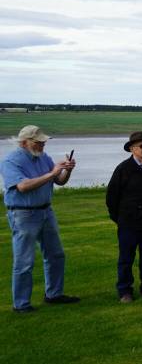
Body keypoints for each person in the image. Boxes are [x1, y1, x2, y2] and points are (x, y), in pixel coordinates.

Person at [3, 125, 78, 312]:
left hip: (46, 211)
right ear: (23, 143)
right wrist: (52, 172)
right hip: (23, 214)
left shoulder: (44, 157)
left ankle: (54, 294)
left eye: (43, 142)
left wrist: (67, 170)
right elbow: (23, 186)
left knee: (56, 255)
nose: (42, 145)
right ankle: (21, 304)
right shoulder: (11, 161)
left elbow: (59, 181)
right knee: (24, 261)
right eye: (38, 142)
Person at [106, 131, 142, 302]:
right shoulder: (123, 169)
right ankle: (125, 291)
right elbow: (111, 198)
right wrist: (121, 218)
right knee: (126, 258)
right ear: (132, 149)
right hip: (129, 224)